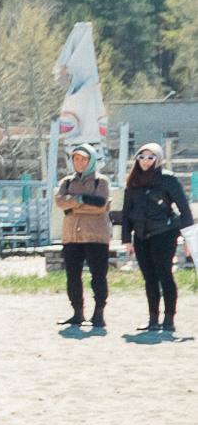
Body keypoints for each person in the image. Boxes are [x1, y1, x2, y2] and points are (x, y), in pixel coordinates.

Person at [122, 143, 192, 333]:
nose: (145, 161)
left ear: (158, 159)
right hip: (141, 236)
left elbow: (184, 209)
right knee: (149, 278)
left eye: (150, 157)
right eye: (142, 157)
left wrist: (188, 237)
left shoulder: (168, 179)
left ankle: (169, 319)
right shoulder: (133, 181)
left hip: (164, 233)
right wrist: (127, 239)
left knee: (164, 274)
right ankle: (153, 318)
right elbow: (127, 211)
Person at [56, 144, 111, 331]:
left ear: (91, 161)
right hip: (71, 236)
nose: (79, 163)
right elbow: (59, 201)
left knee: (98, 275)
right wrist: (83, 199)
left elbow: (100, 206)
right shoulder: (66, 182)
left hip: (96, 236)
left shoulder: (100, 182)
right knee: (72, 276)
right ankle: (77, 312)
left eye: (84, 159)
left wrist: (73, 205)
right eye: (76, 159)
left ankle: (99, 313)